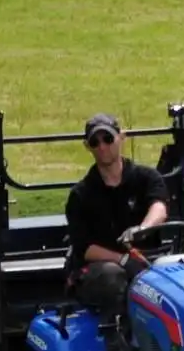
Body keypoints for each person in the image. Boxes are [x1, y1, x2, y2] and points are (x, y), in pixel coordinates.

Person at [65, 112, 170, 318]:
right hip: (97, 273)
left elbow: (159, 207)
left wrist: (142, 229)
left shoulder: (147, 178)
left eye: (108, 138)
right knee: (113, 276)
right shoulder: (81, 195)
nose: (102, 146)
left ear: (121, 137)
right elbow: (85, 248)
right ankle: (115, 339)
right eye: (95, 142)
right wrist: (122, 260)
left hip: (146, 262)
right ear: (88, 147)